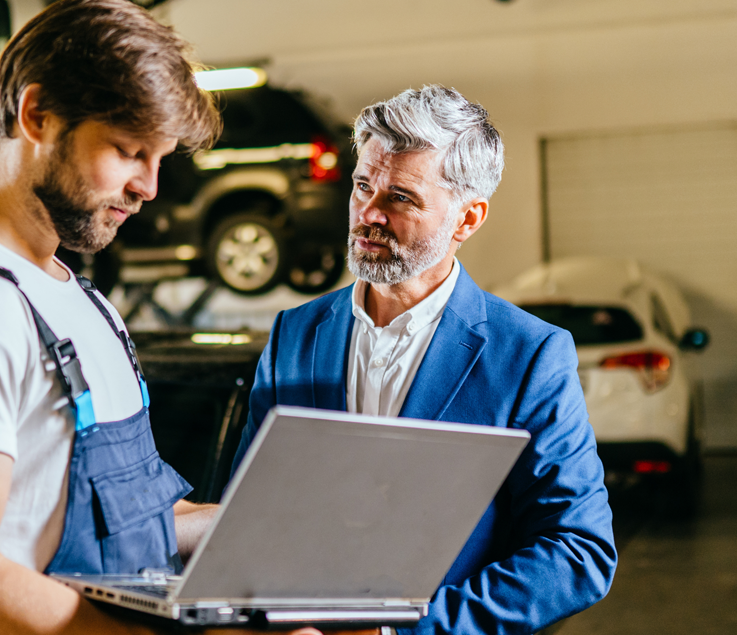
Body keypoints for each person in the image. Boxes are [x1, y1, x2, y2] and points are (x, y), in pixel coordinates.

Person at [0, 2, 336, 634]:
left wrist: (295, 530)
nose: (149, 187)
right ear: (37, 114)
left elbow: (130, 520)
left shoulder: (74, 297)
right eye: (130, 151)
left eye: (159, 159)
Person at [230, 86, 618, 635]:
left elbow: (578, 551)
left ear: (467, 219)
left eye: (401, 198)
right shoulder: (296, 333)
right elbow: (247, 508)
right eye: (363, 185)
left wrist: (405, 630)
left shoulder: (528, 354)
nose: (368, 213)